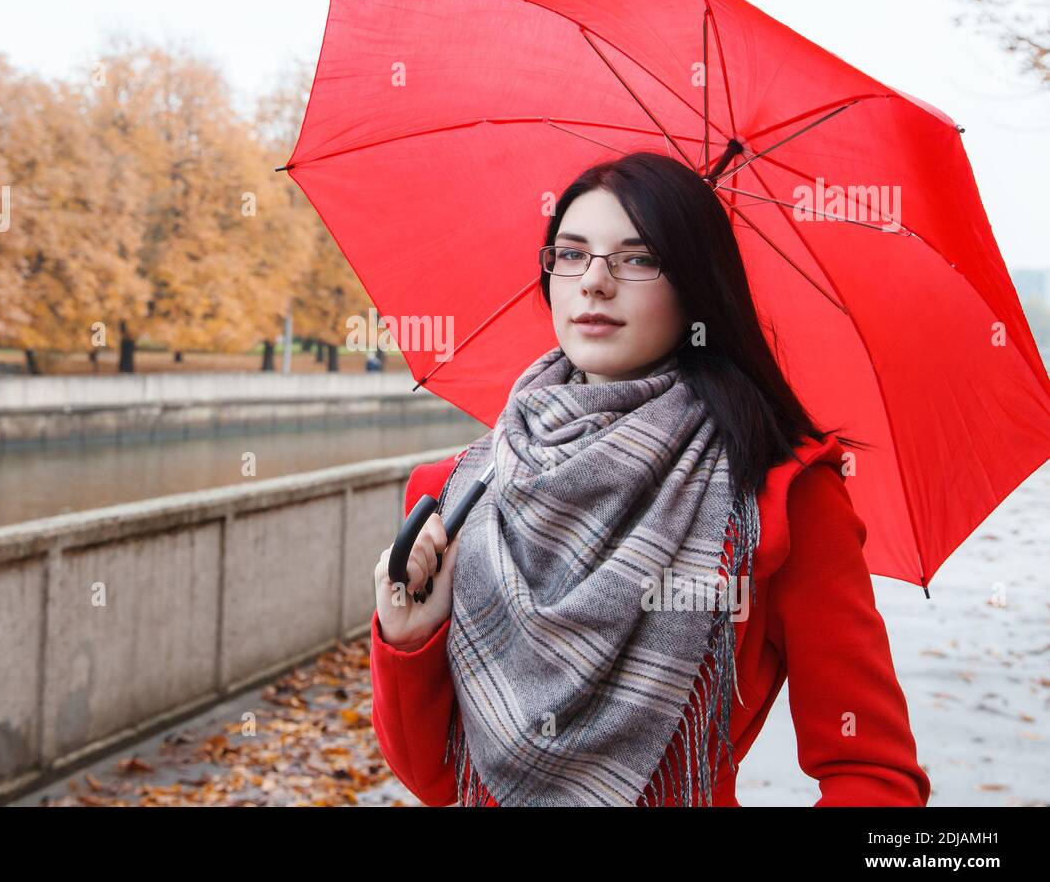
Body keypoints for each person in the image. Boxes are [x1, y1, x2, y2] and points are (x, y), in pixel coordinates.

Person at [369, 151, 931, 807]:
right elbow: (438, 779)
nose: (595, 283)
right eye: (572, 254)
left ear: (695, 284)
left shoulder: (780, 494)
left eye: (639, 258)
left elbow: (874, 773)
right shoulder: (457, 490)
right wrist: (406, 638)